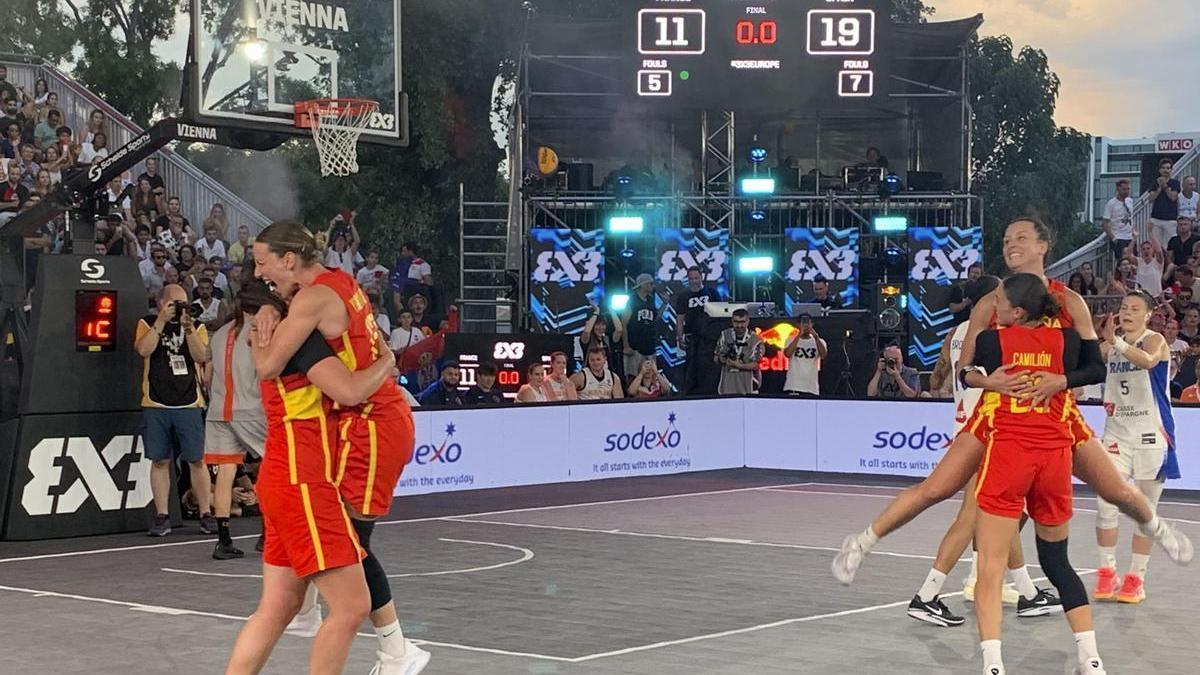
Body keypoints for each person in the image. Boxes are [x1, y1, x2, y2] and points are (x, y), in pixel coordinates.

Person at [831, 218, 1193, 590]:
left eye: (1021, 238)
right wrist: (989, 381)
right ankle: (862, 543)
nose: (1011, 245)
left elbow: (1094, 368)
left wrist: (1061, 381)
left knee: (1114, 488)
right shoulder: (990, 304)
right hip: (998, 418)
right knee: (936, 489)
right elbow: (965, 370)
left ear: (1043, 246)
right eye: (1006, 240)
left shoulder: (1069, 301)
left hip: (1057, 418)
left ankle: (1158, 529)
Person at [245, 222, 431, 674]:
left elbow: (272, 366)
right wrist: (272, 311)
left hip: (370, 422)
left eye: (262, 261)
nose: (256, 270)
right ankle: (312, 610)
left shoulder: (309, 301)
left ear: (289, 260)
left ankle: (396, 650)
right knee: (336, 548)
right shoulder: (339, 282)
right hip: (372, 421)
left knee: (349, 548)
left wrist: (261, 327)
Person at [225, 286, 399, 675]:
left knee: (276, 608)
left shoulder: (264, 338)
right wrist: (385, 361)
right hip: (303, 479)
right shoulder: (297, 344)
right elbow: (351, 390)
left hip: (282, 475)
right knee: (353, 606)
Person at [967, 273, 1103, 675]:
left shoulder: (994, 341)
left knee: (990, 568)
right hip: (1055, 458)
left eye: (999, 300)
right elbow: (1096, 370)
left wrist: (979, 379)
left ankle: (993, 665)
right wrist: (1063, 379)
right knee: (1057, 562)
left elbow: (967, 372)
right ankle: (1090, 658)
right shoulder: (1066, 341)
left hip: (1010, 454)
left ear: (1018, 310)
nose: (994, 306)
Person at [1093, 291, 1180, 605]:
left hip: (1151, 434)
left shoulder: (1155, 339)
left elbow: (1146, 361)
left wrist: (1113, 341)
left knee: (1144, 510)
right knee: (1105, 504)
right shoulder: (1110, 347)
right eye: (1123, 307)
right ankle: (1106, 571)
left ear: (1148, 314)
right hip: (1116, 434)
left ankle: (1136, 579)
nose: (1126, 312)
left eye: (1134, 308)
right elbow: (1086, 360)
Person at [133, 285, 213, 537]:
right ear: (161, 302)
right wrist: (161, 321)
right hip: (156, 401)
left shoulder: (196, 325)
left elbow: (202, 356)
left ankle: (206, 512)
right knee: (159, 460)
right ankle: (162, 514)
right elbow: (143, 349)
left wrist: (187, 325)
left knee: (197, 460)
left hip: (189, 401)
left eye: (183, 303)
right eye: (175, 303)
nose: (180, 308)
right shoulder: (147, 322)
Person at [203, 282, 268, 560]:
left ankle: (224, 540)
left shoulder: (218, 334)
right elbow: (268, 369)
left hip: (219, 410)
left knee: (225, 474)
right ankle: (268, 534)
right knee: (272, 467)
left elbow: (206, 374)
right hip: (252, 408)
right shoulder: (260, 330)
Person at [674, 266, 721, 394]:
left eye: (696, 278)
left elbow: (721, 316)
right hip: (692, 337)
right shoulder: (684, 296)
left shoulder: (712, 293)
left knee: (710, 367)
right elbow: (679, 319)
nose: (694, 281)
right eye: (691, 278)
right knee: (692, 367)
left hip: (710, 338)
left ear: (701, 277)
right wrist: (680, 337)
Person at [714, 308, 764, 395]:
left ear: (748, 321)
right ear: (732, 321)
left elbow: (756, 365)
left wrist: (739, 365)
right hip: (727, 386)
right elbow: (715, 358)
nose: (739, 325)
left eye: (742, 322)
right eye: (736, 322)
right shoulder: (725, 335)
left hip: (748, 387)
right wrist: (723, 360)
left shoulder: (756, 339)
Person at [621, 273, 659, 381]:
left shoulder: (650, 301)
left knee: (651, 377)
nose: (653, 286)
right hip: (635, 347)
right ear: (644, 285)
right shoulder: (632, 301)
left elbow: (655, 319)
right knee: (634, 377)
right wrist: (626, 346)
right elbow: (624, 323)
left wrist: (664, 305)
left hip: (650, 347)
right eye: (651, 283)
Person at [782, 314, 825, 396]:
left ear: (812, 325)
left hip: (811, 387)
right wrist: (799, 335)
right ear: (797, 325)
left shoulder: (820, 341)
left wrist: (816, 337)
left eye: (808, 323)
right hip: (793, 385)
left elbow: (823, 355)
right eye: (803, 323)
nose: (806, 326)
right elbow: (787, 354)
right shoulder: (790, 340)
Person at [1147, 159, 1182, 248]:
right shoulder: (1154, 182)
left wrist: (1165, 186)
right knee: (1156, 246)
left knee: (1169, 246)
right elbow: (1150, 199)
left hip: (1170, 219)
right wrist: (1159, 187)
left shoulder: (1175, 183)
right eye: (1163, 168)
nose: (1166, 170)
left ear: (1171, 170)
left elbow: (1173, 197)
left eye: (1168, 168)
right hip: (1156, 219)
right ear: (1160, 170)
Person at [1101, 179, 1135, 262]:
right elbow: (1105, 223)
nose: (1126, 191)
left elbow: (1131, 217)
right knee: (1122, 261)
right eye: (1124, 189)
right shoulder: (1111, 204)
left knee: (1133, 260)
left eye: (1128, 189)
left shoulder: (1130, 201)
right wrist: (1113, 238)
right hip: (1119, 236)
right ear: (1118, 189)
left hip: (1129, 236)